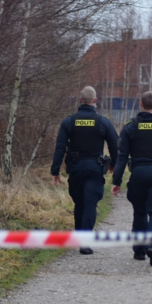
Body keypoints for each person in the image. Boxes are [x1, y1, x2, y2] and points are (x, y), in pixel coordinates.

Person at [111, 91, 152, 266]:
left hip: (138, 174)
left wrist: (116, 181)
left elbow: (122, 156)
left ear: (141, 104)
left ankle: (140, 251)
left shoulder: (130, 127)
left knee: (140, 211)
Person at [51, 86, 118, 255]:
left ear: (80, 100)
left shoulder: (69, 121)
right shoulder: (103, 122)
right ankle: (84, 242)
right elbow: (115, 146)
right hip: (95, 168)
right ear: (95, 101)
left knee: (79, 203)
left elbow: (60, 147)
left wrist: (55, 171)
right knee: (90, 204)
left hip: (76, 168)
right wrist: (114, 165)